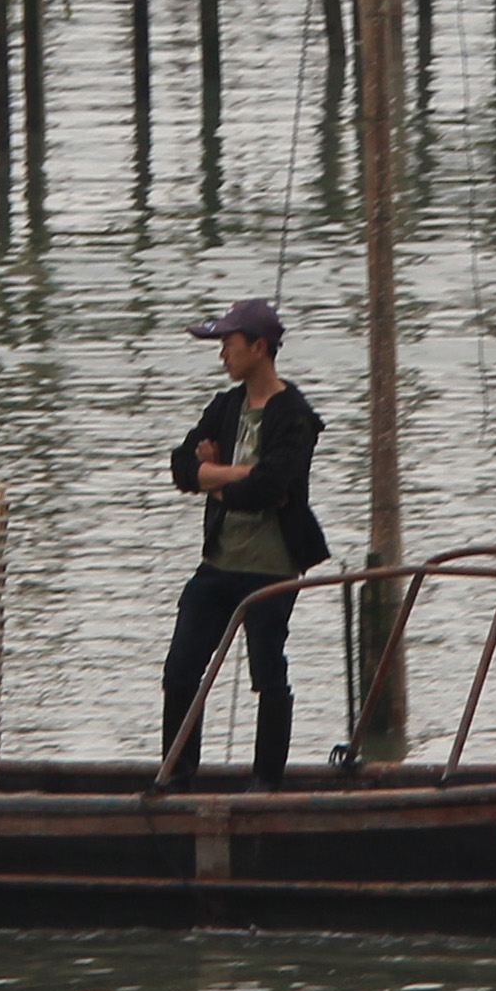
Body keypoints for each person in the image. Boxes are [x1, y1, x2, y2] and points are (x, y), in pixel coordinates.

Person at [159, 297, 325, 787]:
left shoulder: (295, 415)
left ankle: (267, 779)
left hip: (272, 567)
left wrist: (213, 478)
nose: (222, 356)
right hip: (219, 563)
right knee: (181, 670)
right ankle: (177, 772)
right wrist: (229, 474)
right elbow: (182, 467)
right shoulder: (225, 405)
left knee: (267, 674)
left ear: (259, 347)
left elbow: (271, 487)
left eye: (228, 345)